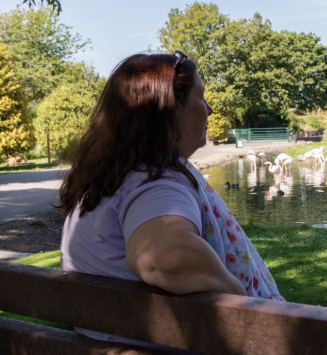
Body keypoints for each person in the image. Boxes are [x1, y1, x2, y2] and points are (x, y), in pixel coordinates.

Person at [59, 52, 283, 351]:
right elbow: (167, 258)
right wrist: (237, 294)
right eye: (200, 98)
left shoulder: (110, 179)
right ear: (170, 111)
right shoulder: (156, 182)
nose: (210, 109)